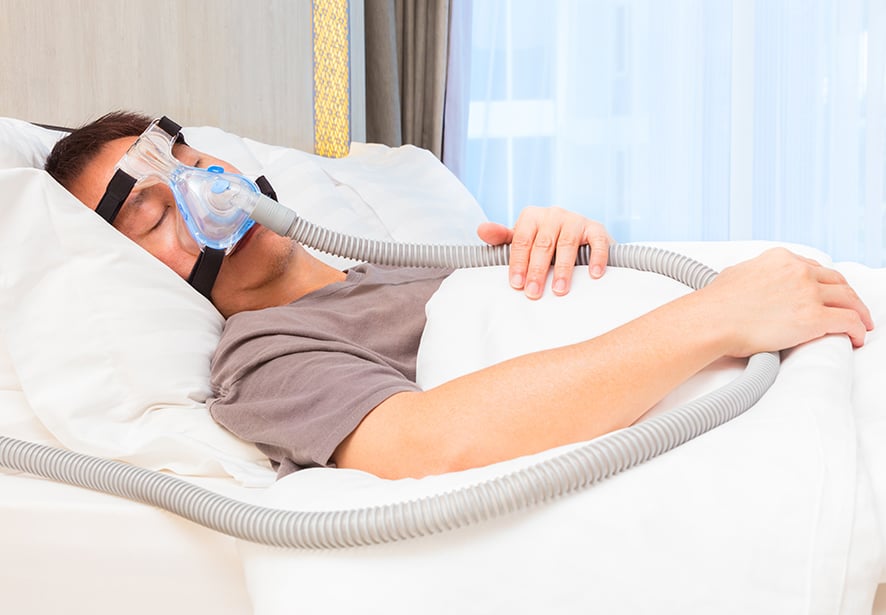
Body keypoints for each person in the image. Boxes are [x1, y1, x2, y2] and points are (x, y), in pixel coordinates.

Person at [45, 111, 874, 480]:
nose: (200, 194)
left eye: (188, 164)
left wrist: (572, 249)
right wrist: (715, 313)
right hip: (757, 365)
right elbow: (428, 443)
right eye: (153, 212)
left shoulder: (416, 260)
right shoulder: (263, 358)